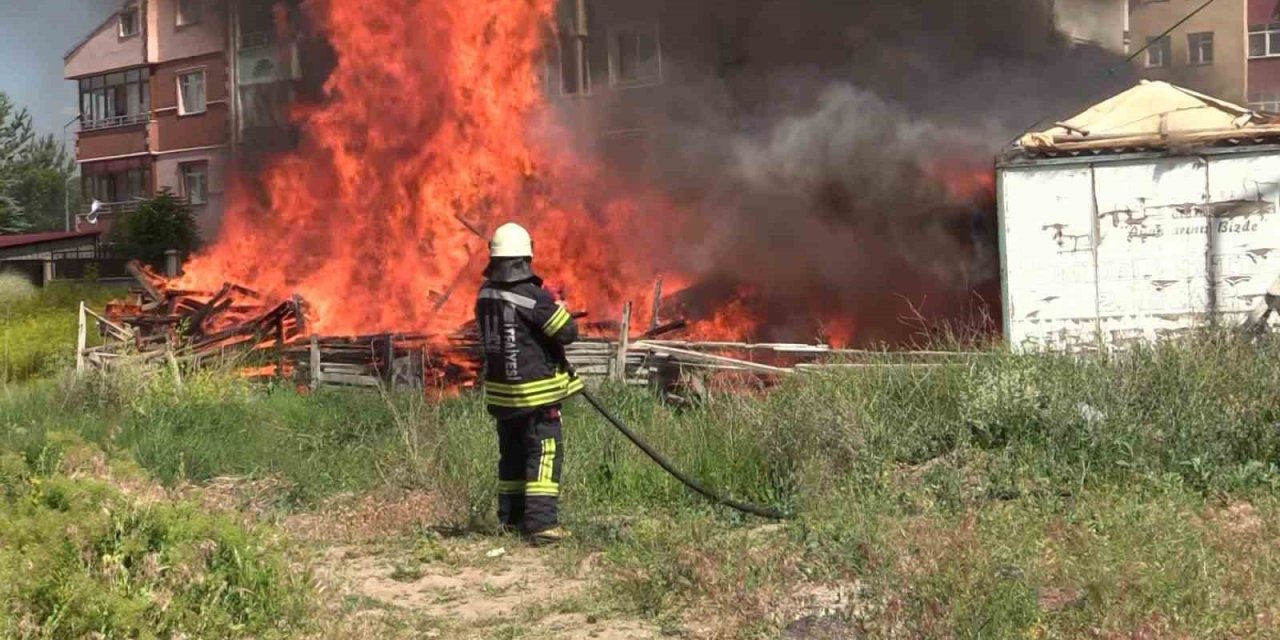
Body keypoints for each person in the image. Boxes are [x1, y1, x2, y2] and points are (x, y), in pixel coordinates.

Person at [474, 222, 583, 544]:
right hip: (536, 397)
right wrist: (557, 306)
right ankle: (542, 525)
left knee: (512, 457)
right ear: (525, 259)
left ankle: (511, 519)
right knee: (544, 452)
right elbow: (567, 333)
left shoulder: (485, 294)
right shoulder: (532, 297)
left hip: (502, 398)